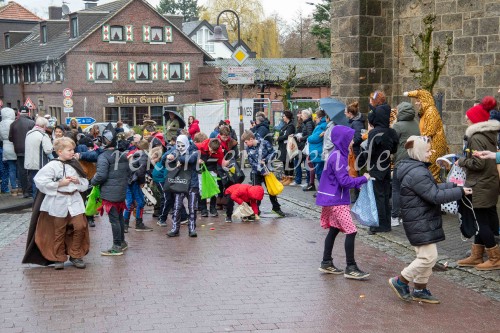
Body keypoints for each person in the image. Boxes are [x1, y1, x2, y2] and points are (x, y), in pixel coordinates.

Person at [388, 136, 470, 303]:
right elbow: (434, 195)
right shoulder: (417, 172)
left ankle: (420, 288)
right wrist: (460, 193)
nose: (432, 152)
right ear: (418, 152)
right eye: (428, 150)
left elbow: (430, 188)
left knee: (427, 257)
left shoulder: (416, 168)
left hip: (420, 218)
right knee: (428, 258)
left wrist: (453, 186)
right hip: (420, 220)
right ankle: (401, 281)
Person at [316, 125, 371, 279]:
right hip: (337, 200)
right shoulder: (338, 157)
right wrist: (363, 179)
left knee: (333, 229)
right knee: (351, 231)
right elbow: (344, 181)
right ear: (342, 139)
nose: (352, 141)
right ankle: (351, 267)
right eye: (349, 138)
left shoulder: (336, 154)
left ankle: (326, 262)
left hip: (331, 199)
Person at [31, 137, 90, 269]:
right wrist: (59, 184)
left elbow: (85, 183)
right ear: (59, 151)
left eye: (73, 149)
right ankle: (58, 257)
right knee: (59, 230)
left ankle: (75, 255)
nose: (72, 152)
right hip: (58, 202)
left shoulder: (76, 164)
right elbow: (40, 181)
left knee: (80, 226)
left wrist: (77, 181)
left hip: (74, 200)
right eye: (69, 150)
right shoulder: (52, 165)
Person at [455, 98, 500, 270]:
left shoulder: (475, 137)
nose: (466, 119)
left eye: (468, 117)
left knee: (481, 221)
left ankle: (494, 258)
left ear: (475, 121)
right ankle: (477, 255)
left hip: (480, 184)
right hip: (489, 183)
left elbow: (478, 163)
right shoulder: (489, 135)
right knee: (486, 218)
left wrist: (461, 162)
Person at [91, 130, 131, 256]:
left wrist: (92, 181)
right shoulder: (122, 155)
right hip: (120, 191)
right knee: (119, 217)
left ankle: (117, 246)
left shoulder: (103, 156)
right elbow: (128, 173)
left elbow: (101, 175)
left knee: (114, 219)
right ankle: (122, 242)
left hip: (110, 192)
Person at [366, 91, 399, 234]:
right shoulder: (391, 132)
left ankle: (380, 224)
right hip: (386, 165)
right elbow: (394, 149)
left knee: (378, 195)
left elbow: (370, 152)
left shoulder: (375, 133)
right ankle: (386, 223)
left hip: (376, 167)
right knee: (385, 195)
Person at [404, 89, 449, 182]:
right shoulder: (427, 111)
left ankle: (435, 193)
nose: (416, 103)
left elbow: (429, 131)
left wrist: (416, 142)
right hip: (429, 146)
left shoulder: (430, 111)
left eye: (418, 100)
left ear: (424, 100)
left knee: (432, 175)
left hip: (434, 147)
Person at [241, 130, 285, 217]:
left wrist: (266, 160)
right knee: (256, 192)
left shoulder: (265, 143)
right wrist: (261, 170)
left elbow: (273, 153)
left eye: (246, 142)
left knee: (271, 190)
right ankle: (256, 209)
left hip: (268, 170)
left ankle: (276, 208)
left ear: (251, 139)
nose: (246, 144)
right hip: (256, 172)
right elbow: (251, 162)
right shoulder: (248, 149)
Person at [390, 102, 420, 227]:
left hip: (401, 161)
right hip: (415, 159)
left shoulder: (398, 126)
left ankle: (395, 216)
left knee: (396, 189)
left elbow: (392, 143)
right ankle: (407, 215)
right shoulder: (416, 124)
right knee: (410, 189)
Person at [166, 135, 200, 237]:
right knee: (177, 207)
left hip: (192, 183)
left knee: (192, 208)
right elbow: (165, 157)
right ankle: (175, 229)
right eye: (178, 145)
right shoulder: (175, 150)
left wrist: (177, 158)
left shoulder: (194, 150)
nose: (180, 147)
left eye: (182, 145)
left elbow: (190, 159)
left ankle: (192, 229)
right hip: (180, 183)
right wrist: (170, 155)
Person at [124, 139, 152, 232]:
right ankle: (138, 224)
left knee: (129, 202)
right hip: (134, 181)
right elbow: (141, 171)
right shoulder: (144, 156)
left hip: (128, 180)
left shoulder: (135, 154)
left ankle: (125, 225)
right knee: (140, 202)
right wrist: (142, 182)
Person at [196, 138, 228, 217]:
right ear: (208, 146)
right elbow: (191, 150)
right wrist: (197, 159)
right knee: (201, 188)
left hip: (212, 169)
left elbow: (221, 162)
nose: (212, 152)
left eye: (214, 151)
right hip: (201, 169)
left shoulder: (219, 151)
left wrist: (227, 164)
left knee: (214, 187)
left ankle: (212, 208)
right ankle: (203, 209)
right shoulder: (201, 146)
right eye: (211, 150)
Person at [9, 106, 35, 198]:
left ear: (19, 112)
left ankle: (25, 192)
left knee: (22, 171)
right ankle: (31, 190)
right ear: (28, 113)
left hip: (19, 150)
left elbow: (10, 138)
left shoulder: (13, 124)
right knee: (31, 170)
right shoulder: (32, 123)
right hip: (30, 150)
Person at [25, 117, 53, 198]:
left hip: (29, 163)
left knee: (33, 181)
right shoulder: (43, 135)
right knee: (40, 184)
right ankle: (39, 203)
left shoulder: (29, 133)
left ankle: (35, 202)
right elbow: (48, 150)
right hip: (40, 163)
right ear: (44, 125)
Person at [307, 110, 327, 190]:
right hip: (316, 152)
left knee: (319, 173)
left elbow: (314, 138)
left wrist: (309, 137)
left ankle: (322, 190)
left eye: (316, 117)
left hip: (318, 153)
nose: (315, 119)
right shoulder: (320, 125)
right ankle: (321, 190)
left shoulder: (322, 126)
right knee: (318, 172)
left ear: (320, 117)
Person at [294, 109, 315, 188]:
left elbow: (309, 134)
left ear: (306, 116)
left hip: (305, 145)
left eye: (302, 114)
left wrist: (302, 138)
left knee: (308, 164)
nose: (301, 116)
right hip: (303, 145)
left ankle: (308, 181)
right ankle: (308, 181)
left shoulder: (308, 123)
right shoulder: (306, 123)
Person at [0, 108, 18, 195]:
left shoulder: (1, 124)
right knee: (17, 167)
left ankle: (12, 188)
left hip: (5, 146)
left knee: (10, 168)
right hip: (14, 146)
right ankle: (18, 185)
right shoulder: (14, 123)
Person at [276, 111, 296, 185]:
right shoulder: (285, 125)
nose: (283, 117)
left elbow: (287, 135)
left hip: (288, 146)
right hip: (283, 146)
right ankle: (286, 176)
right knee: (284, 161)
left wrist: (278, 138)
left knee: (288, 162)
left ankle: (290, 177)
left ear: (287, 116)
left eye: (284, 116)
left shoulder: (291, 126)